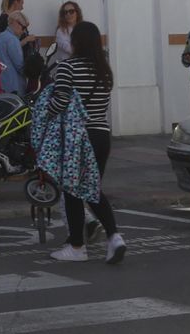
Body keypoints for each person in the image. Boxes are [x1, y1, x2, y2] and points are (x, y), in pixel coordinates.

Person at [42, 20, 125, 265]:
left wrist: (44, 111)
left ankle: (77, 246)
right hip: (101, 135)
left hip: (77, 137)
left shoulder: (67, 67)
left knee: (72, 191)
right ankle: (114, 237)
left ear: (76, 42)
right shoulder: (104, 70)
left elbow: (60, 102)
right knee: (92, 189)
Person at [50, 1, 81, 67]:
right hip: (66, 67)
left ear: (77, 13)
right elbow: (71, 50)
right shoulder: (60, 31)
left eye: (71, 11)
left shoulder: (84, 28)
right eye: (65, 12)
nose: (68, 14)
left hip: (82, 66)